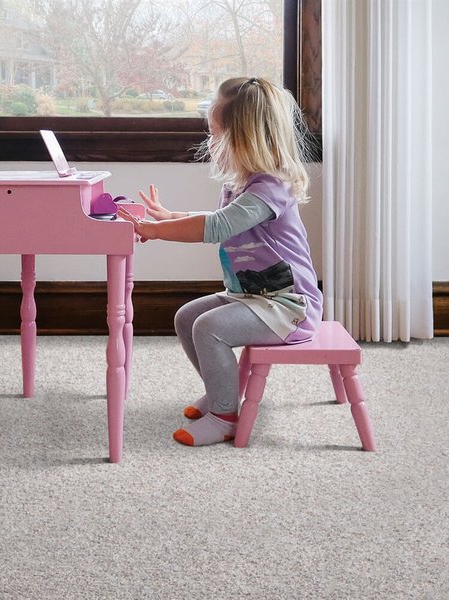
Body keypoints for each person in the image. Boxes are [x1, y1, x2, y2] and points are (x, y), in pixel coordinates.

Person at [117, 77, 322, 447]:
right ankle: (220, 393)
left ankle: (225, 416)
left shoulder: (269, 189)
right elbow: (220, 219)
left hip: (288, 307)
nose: (209, 143)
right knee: (187, 318)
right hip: (254, 297)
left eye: (215, 134)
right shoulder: (241, 186)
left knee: (209, 328)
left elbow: (217, 226)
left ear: (244, 140)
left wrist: (158, 231)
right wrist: (169, 216)